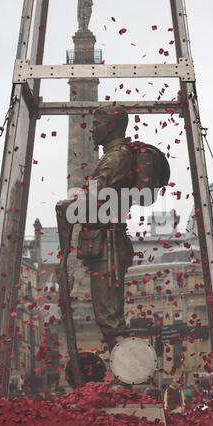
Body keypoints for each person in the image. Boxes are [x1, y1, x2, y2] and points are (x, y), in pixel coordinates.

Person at [76, 105, 135, 353]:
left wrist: (67, 204)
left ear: (111, 126)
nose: (91, 129)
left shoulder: (116, 156)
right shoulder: (112, 156)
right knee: (107, 316)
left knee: (110, 317)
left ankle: (128, 375)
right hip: (104, 239)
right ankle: (123, 375)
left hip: (107, 240)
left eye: (96, 123)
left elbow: (93, 195)